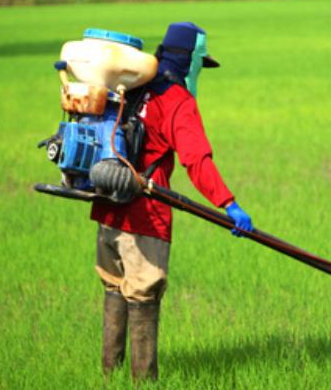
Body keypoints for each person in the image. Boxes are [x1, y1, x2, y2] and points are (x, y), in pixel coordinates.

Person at [89, 22, 253, 381]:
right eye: (200, 63)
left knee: (114, 288)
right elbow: (197, 160)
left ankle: (108, 377)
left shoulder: (132, 86)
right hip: (145, 213)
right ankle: (143, 382)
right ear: (190, 60)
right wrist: (229, 204)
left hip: (107, 205)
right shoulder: (178, 100)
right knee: (144, 295)